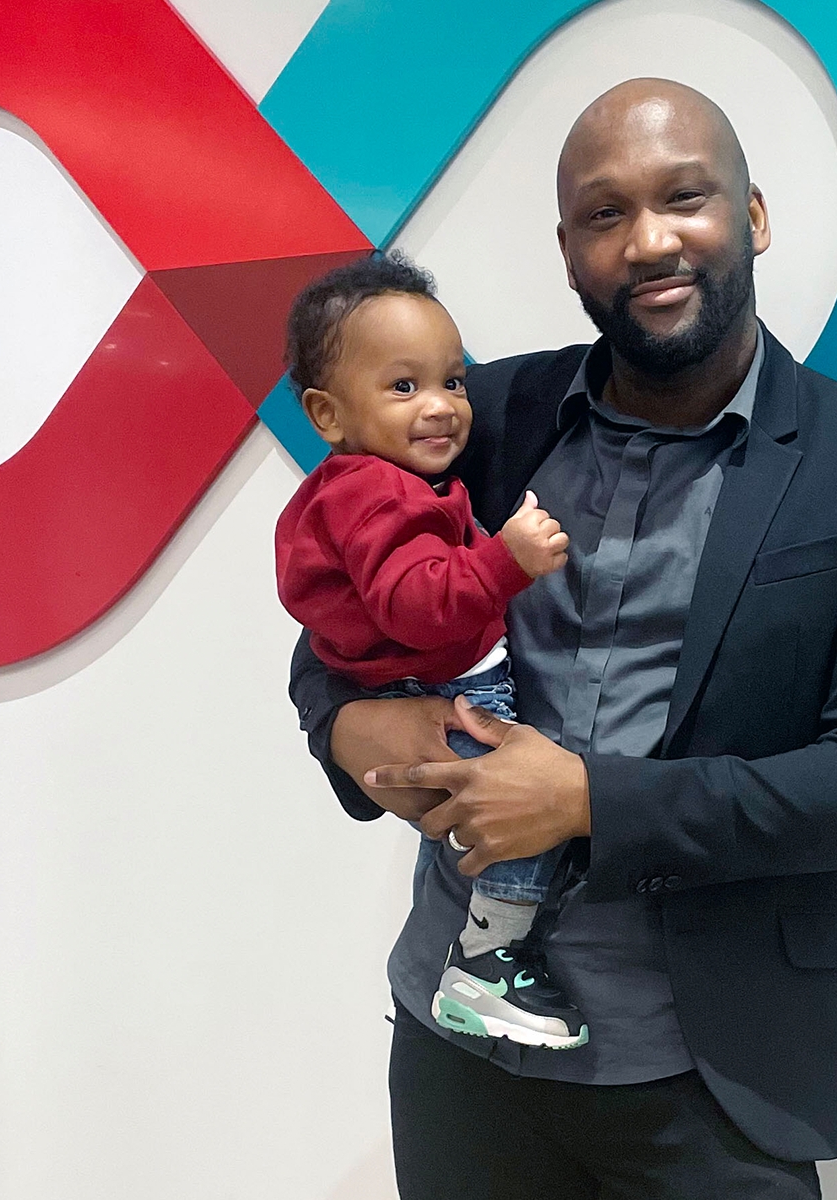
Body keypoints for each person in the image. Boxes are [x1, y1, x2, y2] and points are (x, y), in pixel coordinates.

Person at [289, 78, 837, 1199]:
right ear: (569, 255)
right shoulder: (480, 416)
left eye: (684, 199)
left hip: (715, 1079)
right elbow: (341, 606)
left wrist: (590, 802)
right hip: (461, 1057)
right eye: (606, 216)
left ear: (752, 216)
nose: (650, 241)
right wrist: (353, 723)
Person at [274, 253, 591, 1049]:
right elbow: (413, 603)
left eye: (453, 380)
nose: (446, 406)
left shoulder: (375, 480)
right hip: (455, 685)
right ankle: (490, 959)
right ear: (325, 413)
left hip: (435, 678)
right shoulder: (376, 490)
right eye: (404, 387)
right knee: (520, 816)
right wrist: (505, 559)